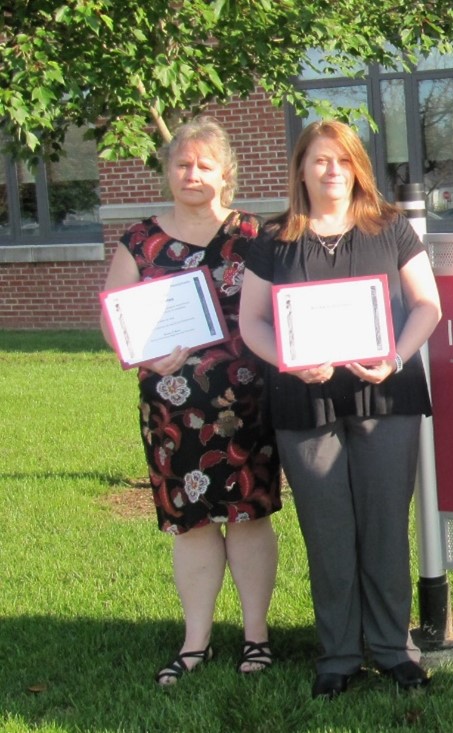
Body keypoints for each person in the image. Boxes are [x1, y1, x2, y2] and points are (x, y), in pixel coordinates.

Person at [238, 120, 442, 699]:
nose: (332, 170)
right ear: (300, 169)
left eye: (343, 160)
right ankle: (338, 654)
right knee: (327, 531)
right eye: (320, 160)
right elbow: (250, 320)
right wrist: (287, 360)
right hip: (304, 401)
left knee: (383, 527)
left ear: (358, 167)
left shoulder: (390, 228)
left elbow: (428, 305)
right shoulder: (276, 238)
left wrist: (396, 358)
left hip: (386, 394)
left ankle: (392, 648)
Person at [100, 117, 282, 685]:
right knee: (193, 524)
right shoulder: (140, 240)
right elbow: (114, 313)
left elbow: (282, 307)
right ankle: (196, 641)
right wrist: (141, 355)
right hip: (171, 409)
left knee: (249, 517)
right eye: (182, 164)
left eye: (205, 164)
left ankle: (257, 638)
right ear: (167, 171)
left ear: (226, 172)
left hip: (246, 405)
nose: (192, 174)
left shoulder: (257, 235)